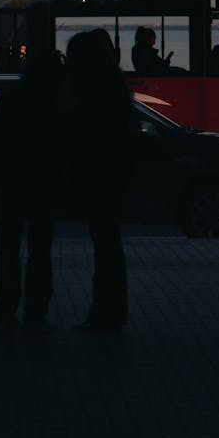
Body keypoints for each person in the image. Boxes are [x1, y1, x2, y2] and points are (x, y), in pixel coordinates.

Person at [0, 49, 65, 333]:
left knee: (7, 248)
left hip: (12, 182)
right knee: (40, 250)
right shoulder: (54, 103)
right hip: (42, 183)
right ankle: (36, 310)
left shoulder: (12, 99)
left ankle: (5, 307)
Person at [65, 29, 135, 333]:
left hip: (99, 176)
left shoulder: (88, 95)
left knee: (104, 245)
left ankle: (105, 312)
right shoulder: (116, 91)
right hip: (113, 176)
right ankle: (111, 310)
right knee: (109, 245)